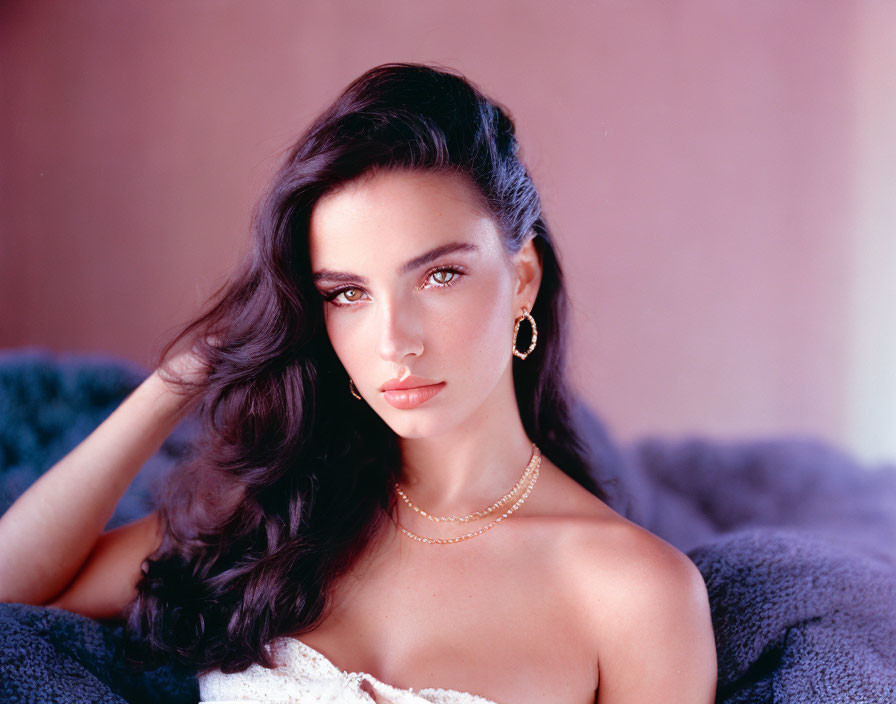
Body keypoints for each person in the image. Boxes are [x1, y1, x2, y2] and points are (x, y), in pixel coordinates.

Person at [0, 62, 717, 703]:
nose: (394, 340)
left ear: (523, 277)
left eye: (440, 275)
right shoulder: (279, 516)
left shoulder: (636, 594)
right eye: (347, 294)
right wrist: (175, 379)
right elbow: (11, 589)